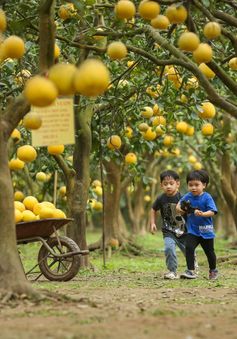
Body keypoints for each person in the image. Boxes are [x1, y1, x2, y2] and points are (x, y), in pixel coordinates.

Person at [176, 169, 218, 280]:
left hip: (206, 230)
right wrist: (182, 210)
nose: (193, 187)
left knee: (209, 252)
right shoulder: (187, 196)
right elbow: (178, 206)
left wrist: (203, 214)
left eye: (196, 185)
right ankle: (191, 271)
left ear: (204, 185)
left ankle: (213, 270)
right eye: (190, 185)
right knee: (189, 248)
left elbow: (213, 211)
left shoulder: (207, 197)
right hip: (193, 230)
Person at [150, 170, 187, 280]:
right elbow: (153, 209)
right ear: (161, 185)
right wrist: (152, 223)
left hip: (183, 231)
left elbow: (188, 211)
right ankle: (172, 271)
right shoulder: (161, 198)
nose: (168, 186)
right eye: (165, 184)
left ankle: (193, 268)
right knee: (168, 249)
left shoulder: (183, 198)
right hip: (168, 231)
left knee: (188, 251)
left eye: (171, 183)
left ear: (178, 184)